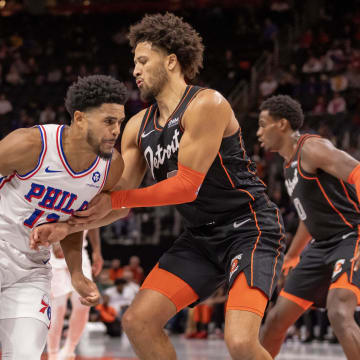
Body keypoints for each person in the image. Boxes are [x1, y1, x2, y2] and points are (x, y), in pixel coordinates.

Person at [31, 13, 285, 360]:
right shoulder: (137, 126)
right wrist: (67, 223)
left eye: (142, 60)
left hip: (250, 228)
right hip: (200, 236)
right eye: (134, 62)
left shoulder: (206, 104)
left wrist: (114, 200)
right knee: (138, 321)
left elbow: (185, 187)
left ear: (170, 62)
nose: (135, 70)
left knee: (240, 342)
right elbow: (115, 201)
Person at [0, 74, 127, 359]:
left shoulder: (110, 168)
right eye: (109, 121)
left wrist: (76, 273)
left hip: (31, 269)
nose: (116, 130)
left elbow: (76, 222)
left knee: (24, 354)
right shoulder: (31, 145)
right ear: (80, 118)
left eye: (119, 122)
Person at [256, 95, 360, 359]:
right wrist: (292, 255)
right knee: (275, 321)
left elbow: (356, 171)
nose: (258, 132)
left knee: (339, 311)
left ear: (281, 125)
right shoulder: (288, 163)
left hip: (351, 236)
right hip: (321, 246)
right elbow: (308, 217)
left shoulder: (312, 148)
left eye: (262, 124)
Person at [47, 229, 104, 360]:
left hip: (79, 253)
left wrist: (97, 251)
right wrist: (56, 243)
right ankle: (53, 354)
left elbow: (95, 224)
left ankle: (69, 349)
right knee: (57, 309)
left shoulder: (87, 207)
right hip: (53, 255)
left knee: (84, 305)